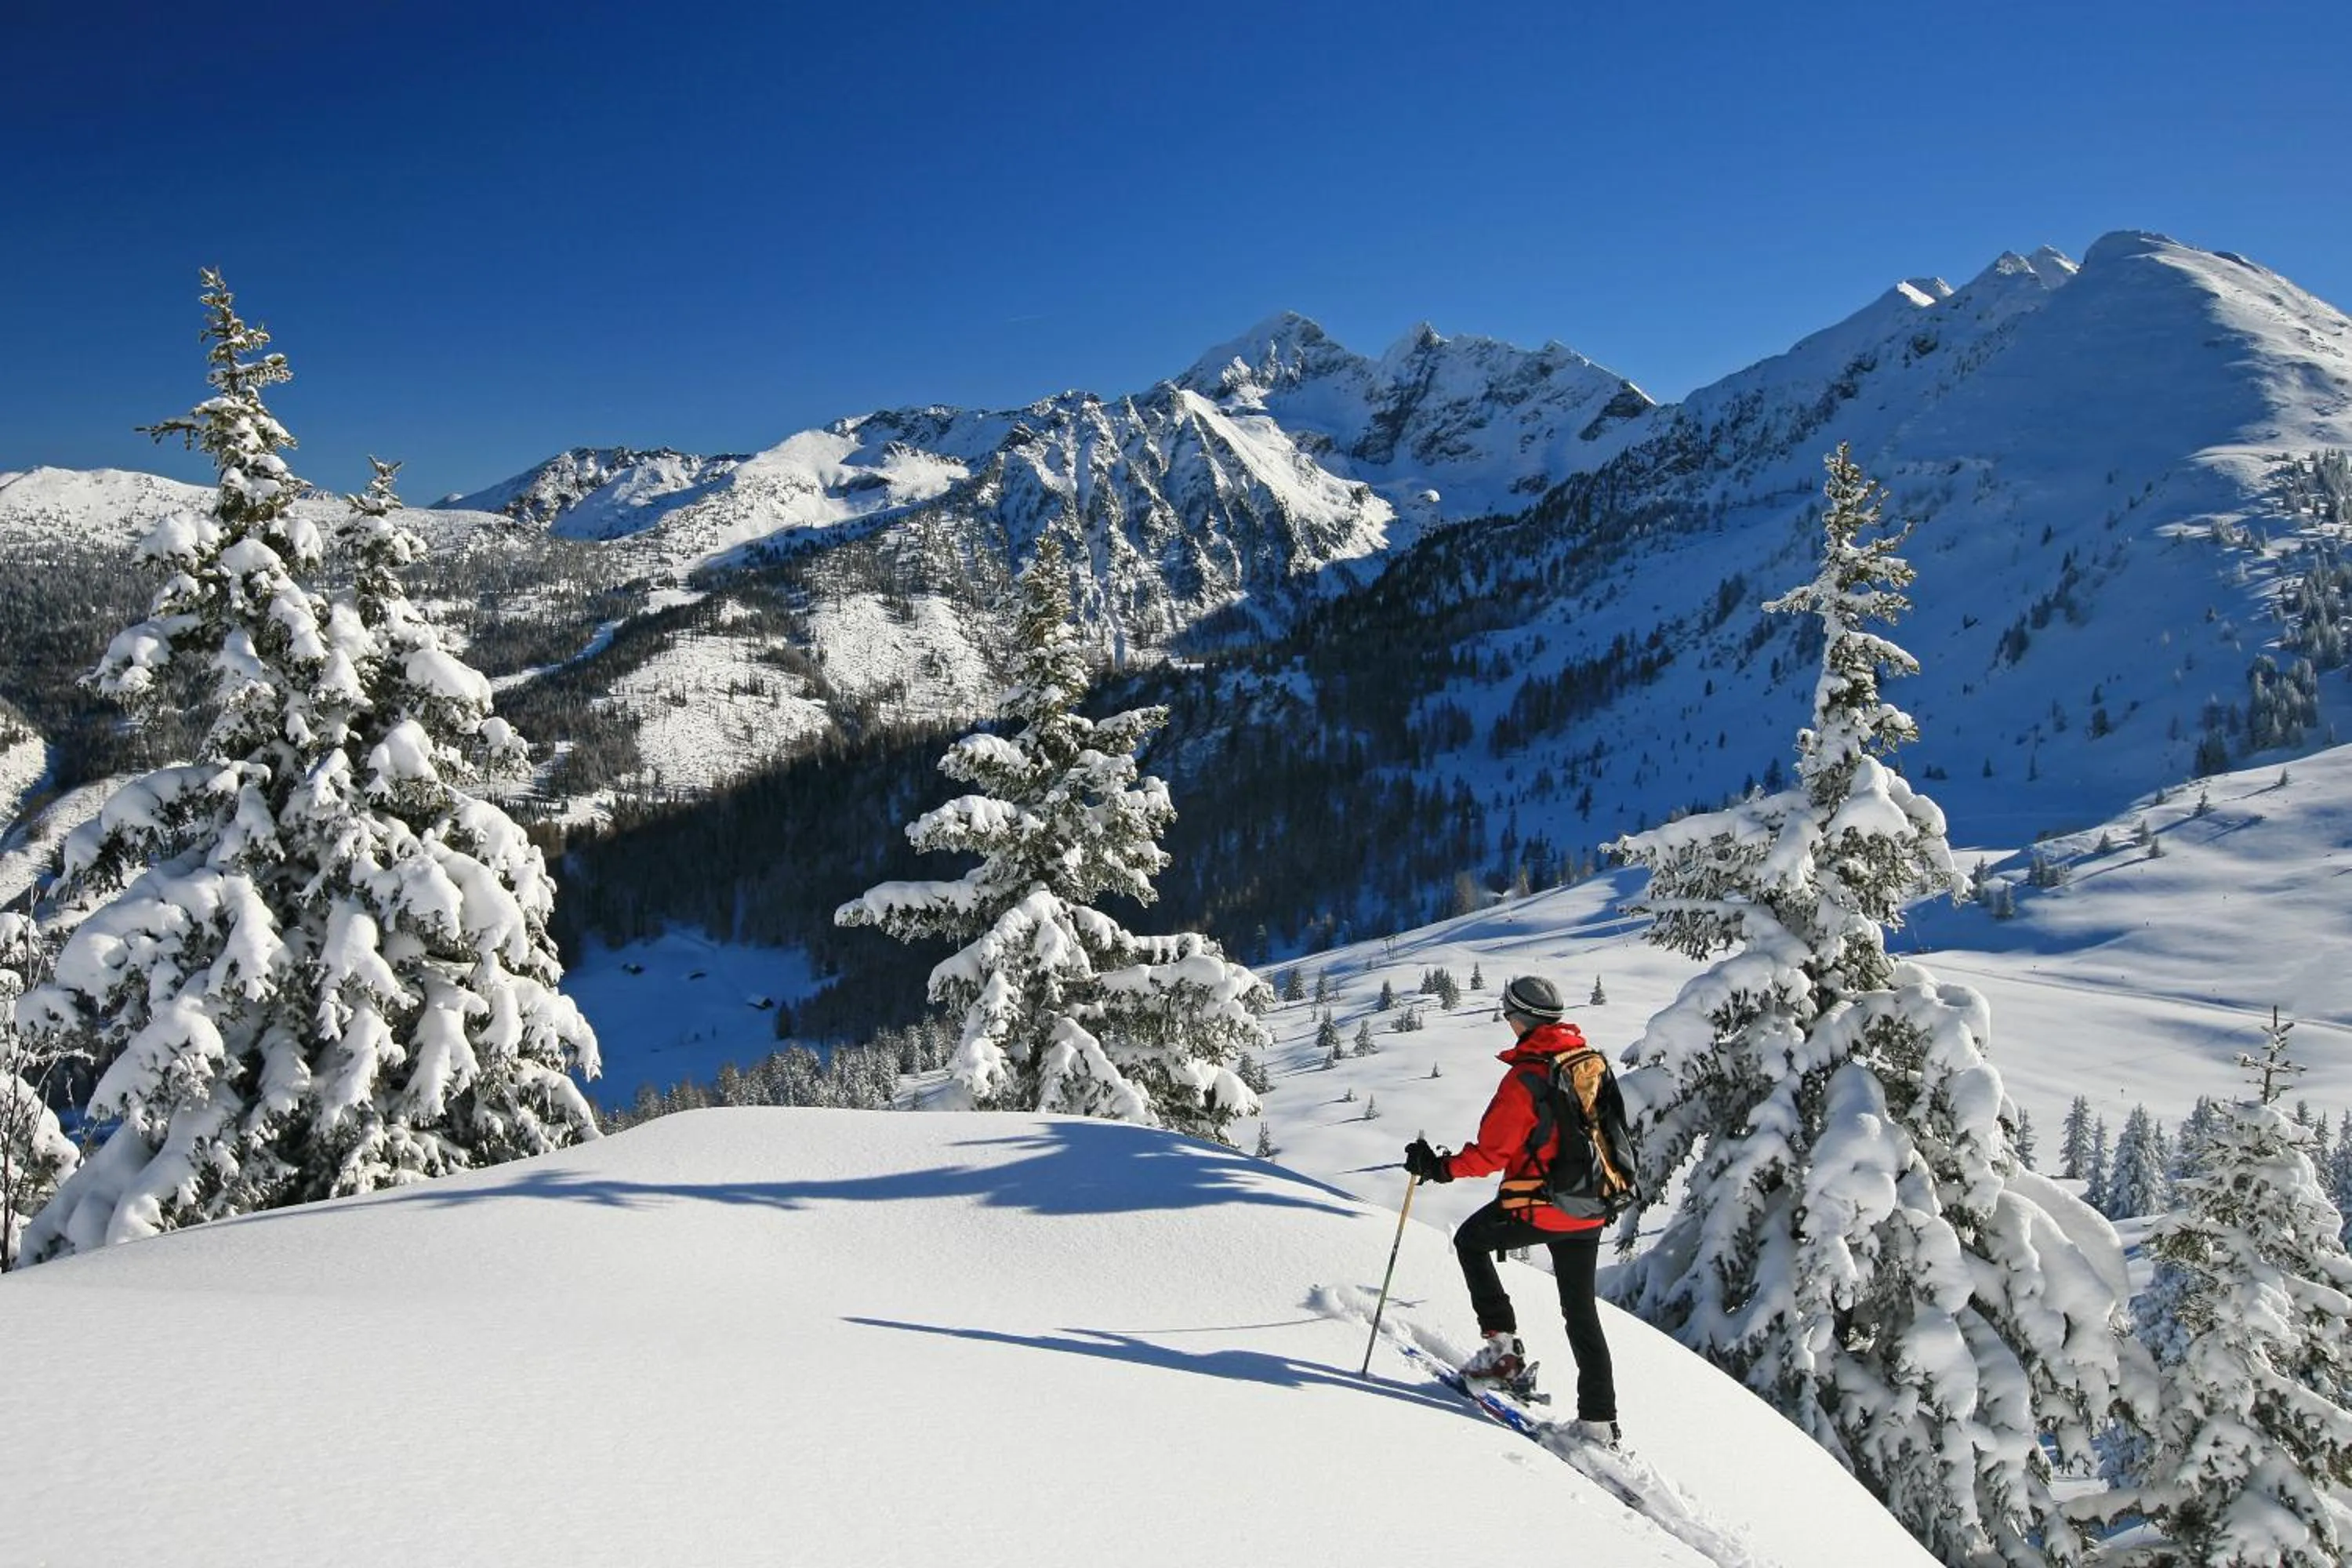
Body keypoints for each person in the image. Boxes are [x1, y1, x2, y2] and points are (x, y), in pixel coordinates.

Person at [1404, 974, 1623, 1443]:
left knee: (1470, 1241)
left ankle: (1502, 1350)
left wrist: (1439, 1169)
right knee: (1581, 1311)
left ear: (1518, 1018)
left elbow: (1491, 1153)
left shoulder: (1528, 1077)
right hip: (1591, 1207)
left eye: (1508, 1014)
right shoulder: (1589, 1062)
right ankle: (1599, 1424)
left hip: (1541, 1206)